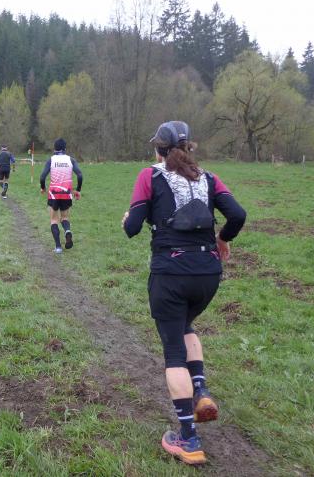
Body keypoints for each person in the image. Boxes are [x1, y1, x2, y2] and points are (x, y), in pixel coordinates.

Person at [122, 121, 246, 466]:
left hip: (171, 274)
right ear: (189, 147)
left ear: (158, 149)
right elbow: (238, 214)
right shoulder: (209, 178)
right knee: (185, 325)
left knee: (173, 351)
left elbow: (132, 228)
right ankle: (200, 390)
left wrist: (127, 219)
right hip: (207, 275)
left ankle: (188, 439)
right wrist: (222, 239)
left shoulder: (150, 175)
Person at [40, 138, 82, 253]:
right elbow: (80, 175)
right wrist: (78, 190)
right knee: (65, 218)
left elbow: (42, 177)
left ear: (54, 148)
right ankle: (67, 231)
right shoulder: (71, 160)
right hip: (66, 193)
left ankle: (58, 247)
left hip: (54, 194)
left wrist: (43, 188)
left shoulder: (51, 160)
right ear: (65, 148)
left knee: (54, 220)